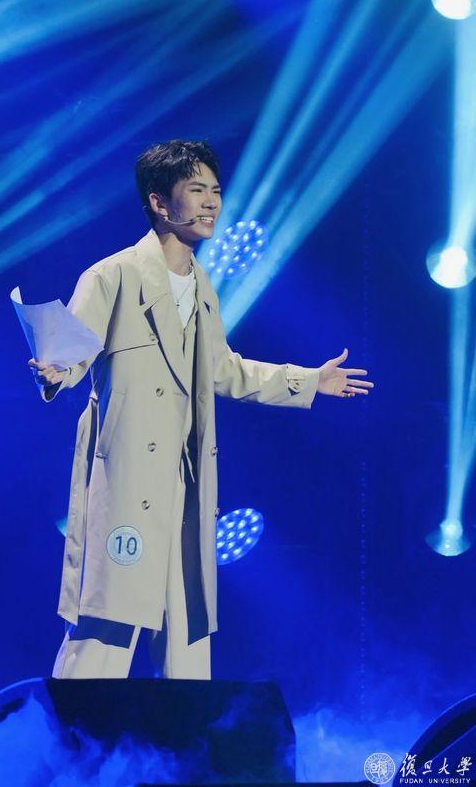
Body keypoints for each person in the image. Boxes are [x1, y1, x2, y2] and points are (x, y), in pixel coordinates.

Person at [28, 139, 374, 680]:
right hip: (126, 489)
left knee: (188, 641)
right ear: (159, 203)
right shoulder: (111, 276)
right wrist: (55, 370)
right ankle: (70, 735)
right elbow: (70, 354)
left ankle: (189, 738)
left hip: (186, 492)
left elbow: (222, 369)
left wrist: (310, 381)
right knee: (103, 635)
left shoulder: (202, 286)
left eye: (215, 190)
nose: (212, 202)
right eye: (197, 190)